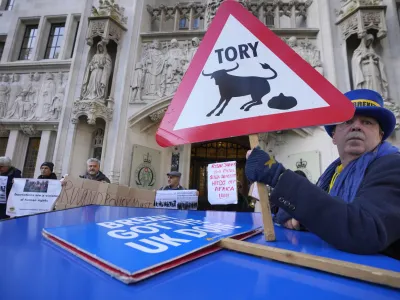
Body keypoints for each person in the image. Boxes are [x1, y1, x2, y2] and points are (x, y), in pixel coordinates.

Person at [245, 89, 400, 260]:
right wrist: (301, 217)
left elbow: (364, 229)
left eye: (367, 122)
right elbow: (332, 215)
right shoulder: (331, 174)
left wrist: (277, 176)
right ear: (334, 135)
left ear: (381, 135)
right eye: (347, 121)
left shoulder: (393, 166)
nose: (356, 126)